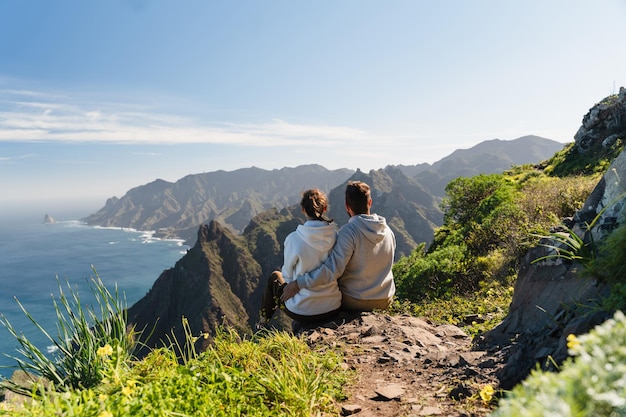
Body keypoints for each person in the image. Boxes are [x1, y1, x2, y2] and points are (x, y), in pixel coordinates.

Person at [281, 181, 396, 311]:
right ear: (370, 203)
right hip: (385, 299)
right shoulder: (388, 231)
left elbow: (332, 270)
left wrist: (298, 284)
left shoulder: (349, 232)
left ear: (347, 206)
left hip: (355, 300)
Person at [258, 189, 342, 327]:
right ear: (325, 208)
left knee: (275, 277)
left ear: (303, 210)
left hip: (302, 310)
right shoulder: (336, 237)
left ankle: (262, 323)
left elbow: (287, 274)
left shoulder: (294, 239)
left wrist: (296, 285)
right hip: (332, 307)